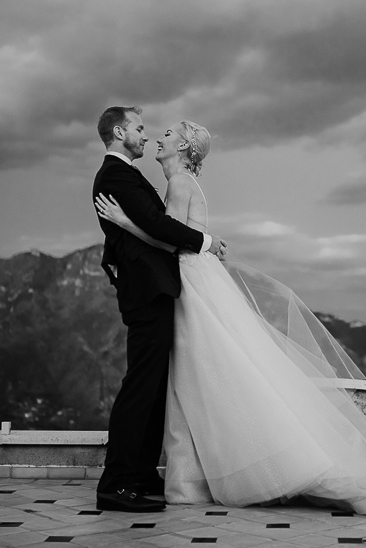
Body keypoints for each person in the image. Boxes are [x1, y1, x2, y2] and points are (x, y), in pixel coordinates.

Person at [95, 120, 366, 520]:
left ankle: (202, 477)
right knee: (209, 372)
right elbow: (173, 232)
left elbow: (168, 236)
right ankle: (201, 474)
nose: (158, 136)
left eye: (169, 134)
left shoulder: (179, 183)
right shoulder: (183, 181)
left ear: (185, 146)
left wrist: (123, 223)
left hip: (190, 283)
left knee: (202, 373)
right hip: (194, 279)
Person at [91, 107, 227, 513]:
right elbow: (157, 226)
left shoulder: (134, 176)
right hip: (148, 291)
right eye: (139, 128)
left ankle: (141, 473)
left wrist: (119, 236)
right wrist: (206, 240)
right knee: (141, 385)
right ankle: (116, 482)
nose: (146, 135)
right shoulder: (117, 174)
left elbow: (145, 225)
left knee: (152, 385)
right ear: (119, 132)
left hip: (156, 288)